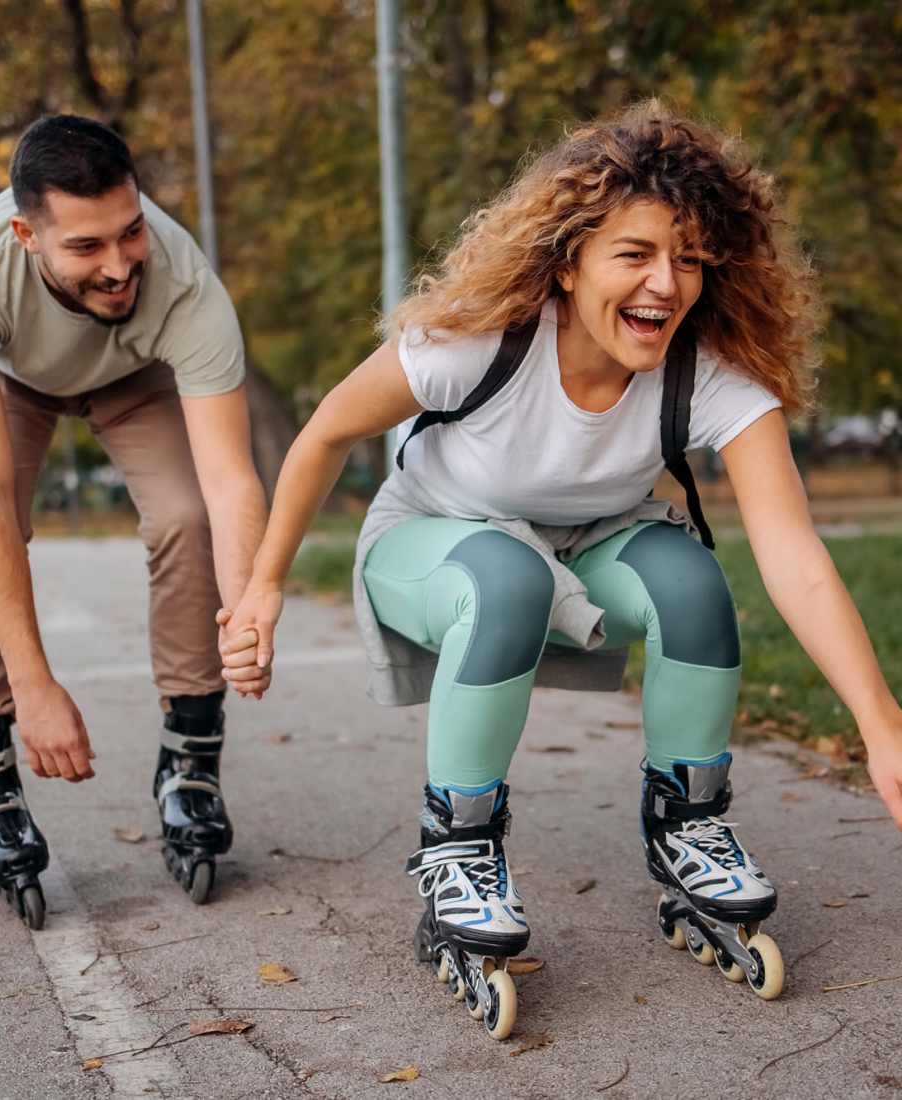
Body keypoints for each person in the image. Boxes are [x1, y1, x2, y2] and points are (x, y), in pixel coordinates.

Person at [217, 101, 902, 1037]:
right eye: (635, 253)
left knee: (692, 580)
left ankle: (689, 824)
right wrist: (264, 586)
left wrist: (881, 722)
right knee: (511, 576)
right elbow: (325, 434)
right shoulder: (478, 341)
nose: (666, 283)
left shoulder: (707, 375)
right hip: (435, 541)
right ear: (570, 260)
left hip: (590, 541)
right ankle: (459, 848)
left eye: (690, 259)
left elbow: (795, 555)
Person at [0, 115, 267, 922]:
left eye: (130, 231)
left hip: (133, 376)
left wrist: (249, 611)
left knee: (186, 514)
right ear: (26, 236)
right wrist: (32, 689)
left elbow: (228, 479)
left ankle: (191, 759)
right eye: (85, 247)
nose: (117, 266)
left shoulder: (183, 280)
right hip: (13, 378)